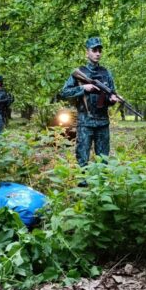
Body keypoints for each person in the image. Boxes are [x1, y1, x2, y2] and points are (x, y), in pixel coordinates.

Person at [60, 37, 121, 184]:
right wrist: (83, 88)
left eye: (100, 50)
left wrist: (112, 99)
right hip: (85, 122)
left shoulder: (106, 73)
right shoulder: (79, 72)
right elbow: (64, 93)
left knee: (103, 158)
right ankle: (82, 186)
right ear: (87, 52)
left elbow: (110, 94)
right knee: (82, 156)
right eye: (94, 50)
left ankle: (100, 186)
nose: (98, 53)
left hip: (102, 123)